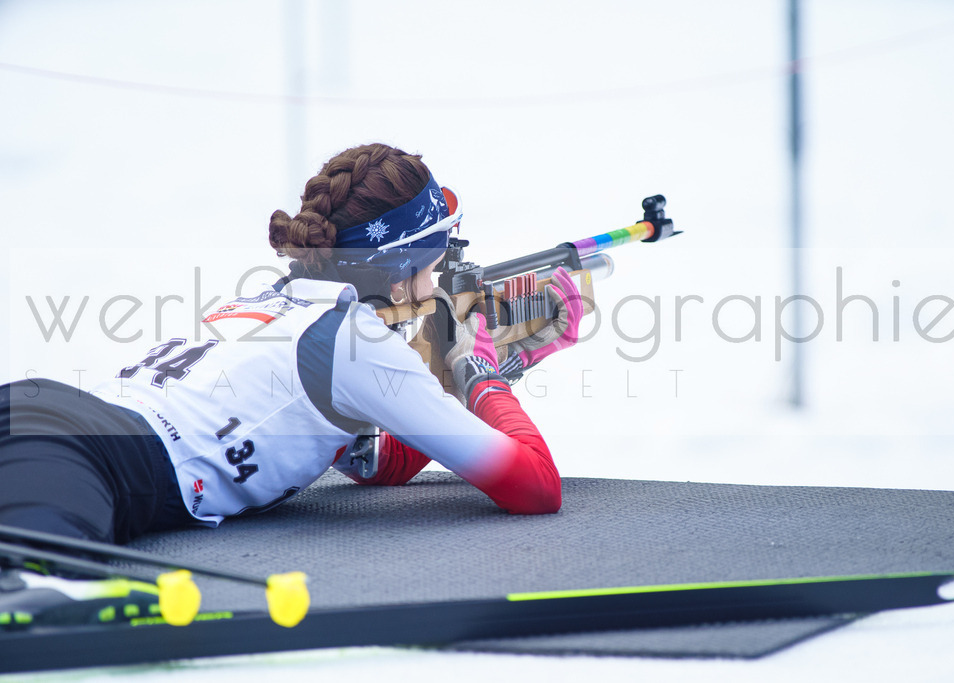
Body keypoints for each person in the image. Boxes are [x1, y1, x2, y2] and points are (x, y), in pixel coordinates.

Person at [0, 142, 581, 627]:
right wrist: (478, 372)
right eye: (437, 258)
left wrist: (476, 375)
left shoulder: (277, 301)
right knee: (37, 591)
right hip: (84, 453)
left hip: (53, 421)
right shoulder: (357, 341)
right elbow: (535, 488)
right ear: (401, 268)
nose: (438, 278)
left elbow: (385, 464)